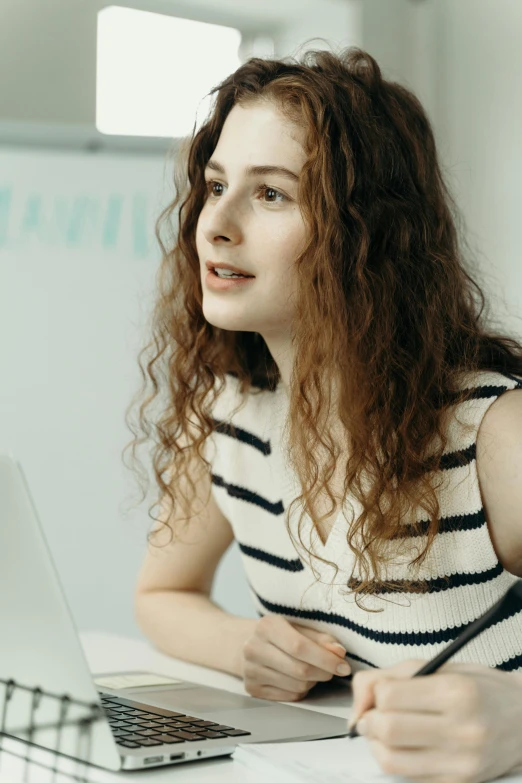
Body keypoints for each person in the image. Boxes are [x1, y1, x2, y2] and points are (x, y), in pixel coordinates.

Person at [124, 45, 522, 782]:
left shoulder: (493, 430)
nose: (215, 224)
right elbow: (161, 594)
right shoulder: (228, 412)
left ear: (366, 234)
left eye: (271, 194)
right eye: (215, 185)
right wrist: (245, 645)